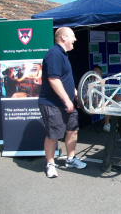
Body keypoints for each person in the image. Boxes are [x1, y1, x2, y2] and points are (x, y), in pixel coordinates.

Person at [38, 27, 87, 178]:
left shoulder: (63, 54)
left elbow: (66, 79)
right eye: (73, 36)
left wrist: (76, 96)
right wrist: (66, 99)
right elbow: (53, 79)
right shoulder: (54, 54)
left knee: (73, 130)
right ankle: (50, 164)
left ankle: (70, 159)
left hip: (67, 102)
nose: (75, 39)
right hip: (52, 103)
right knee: (53, 135)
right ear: (63, 37)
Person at [92, 65, 121, 132]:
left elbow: (106, 94)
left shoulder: (102, 82)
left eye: (98, 73)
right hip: (94, 103)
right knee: (108, 102)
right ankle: (106, 125)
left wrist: (113, 96)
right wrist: (96, 100)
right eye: (94, 73)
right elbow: (84, 99)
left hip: (104, 100)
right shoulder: (88, 83)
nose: (96, 75)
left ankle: (116, 122)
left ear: (100, 74)